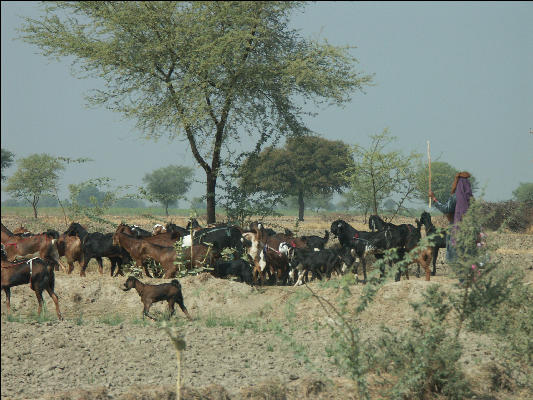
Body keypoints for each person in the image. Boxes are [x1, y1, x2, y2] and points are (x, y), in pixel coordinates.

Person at [429, 171, 473, 262]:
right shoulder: (471, 198)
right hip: (470, 229)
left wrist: (434, 199)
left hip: (456, 229)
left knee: (456, 256)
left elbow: (446, 209)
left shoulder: (455, 197)